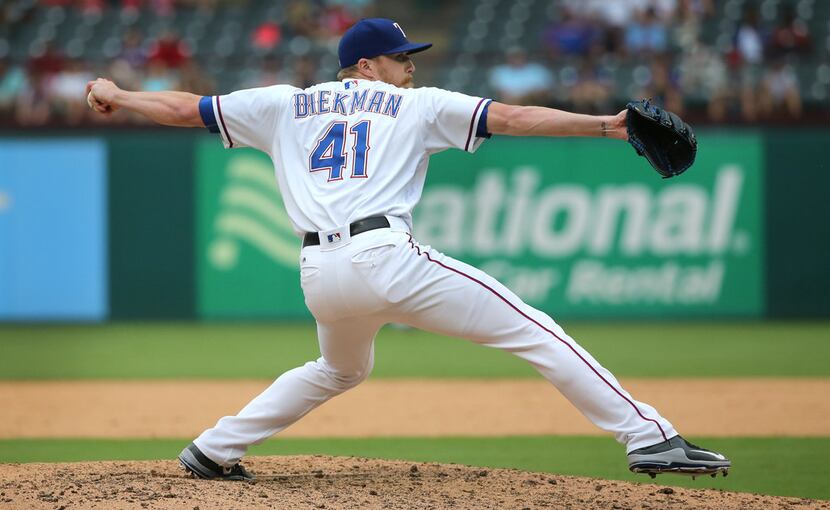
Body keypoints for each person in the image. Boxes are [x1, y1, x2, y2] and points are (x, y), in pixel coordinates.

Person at [86, 17, 731, 482]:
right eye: (399, 57)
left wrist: (120, 95)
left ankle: (214, 447)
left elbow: (185, 108)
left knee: (340, 369)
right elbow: (511, 118)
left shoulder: (285, 104)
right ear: (365, 65)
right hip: (384, 258)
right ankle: (649, 438)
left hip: (318, 273)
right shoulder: (414, 105)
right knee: (536, 330)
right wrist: (605, 126)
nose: (410, 65)